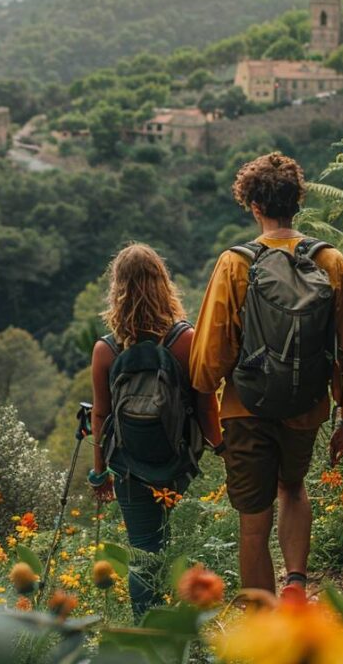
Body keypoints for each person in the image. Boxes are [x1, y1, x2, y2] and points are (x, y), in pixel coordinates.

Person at [190, 152, 343, 599]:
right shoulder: (330, 261)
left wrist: (209, 417)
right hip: (306, 405)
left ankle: (263, 618)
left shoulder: (236, 264)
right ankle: (296, 584)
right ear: (297, 202)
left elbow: (209, 360)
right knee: (293, 487)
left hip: (244, 409)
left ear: (253, 206)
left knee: (253, 523)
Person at [89, 243, 222, 616]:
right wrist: (223, 449)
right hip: (178, 462)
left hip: (129, 465)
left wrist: (100, 473)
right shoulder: (184, 340)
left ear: (118, 289)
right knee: (180, 544)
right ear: (163, 284)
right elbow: (204, 404)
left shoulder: (105, 351)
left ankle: (147, 632)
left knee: (143, 551)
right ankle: (183, 624)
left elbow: (100, 416)